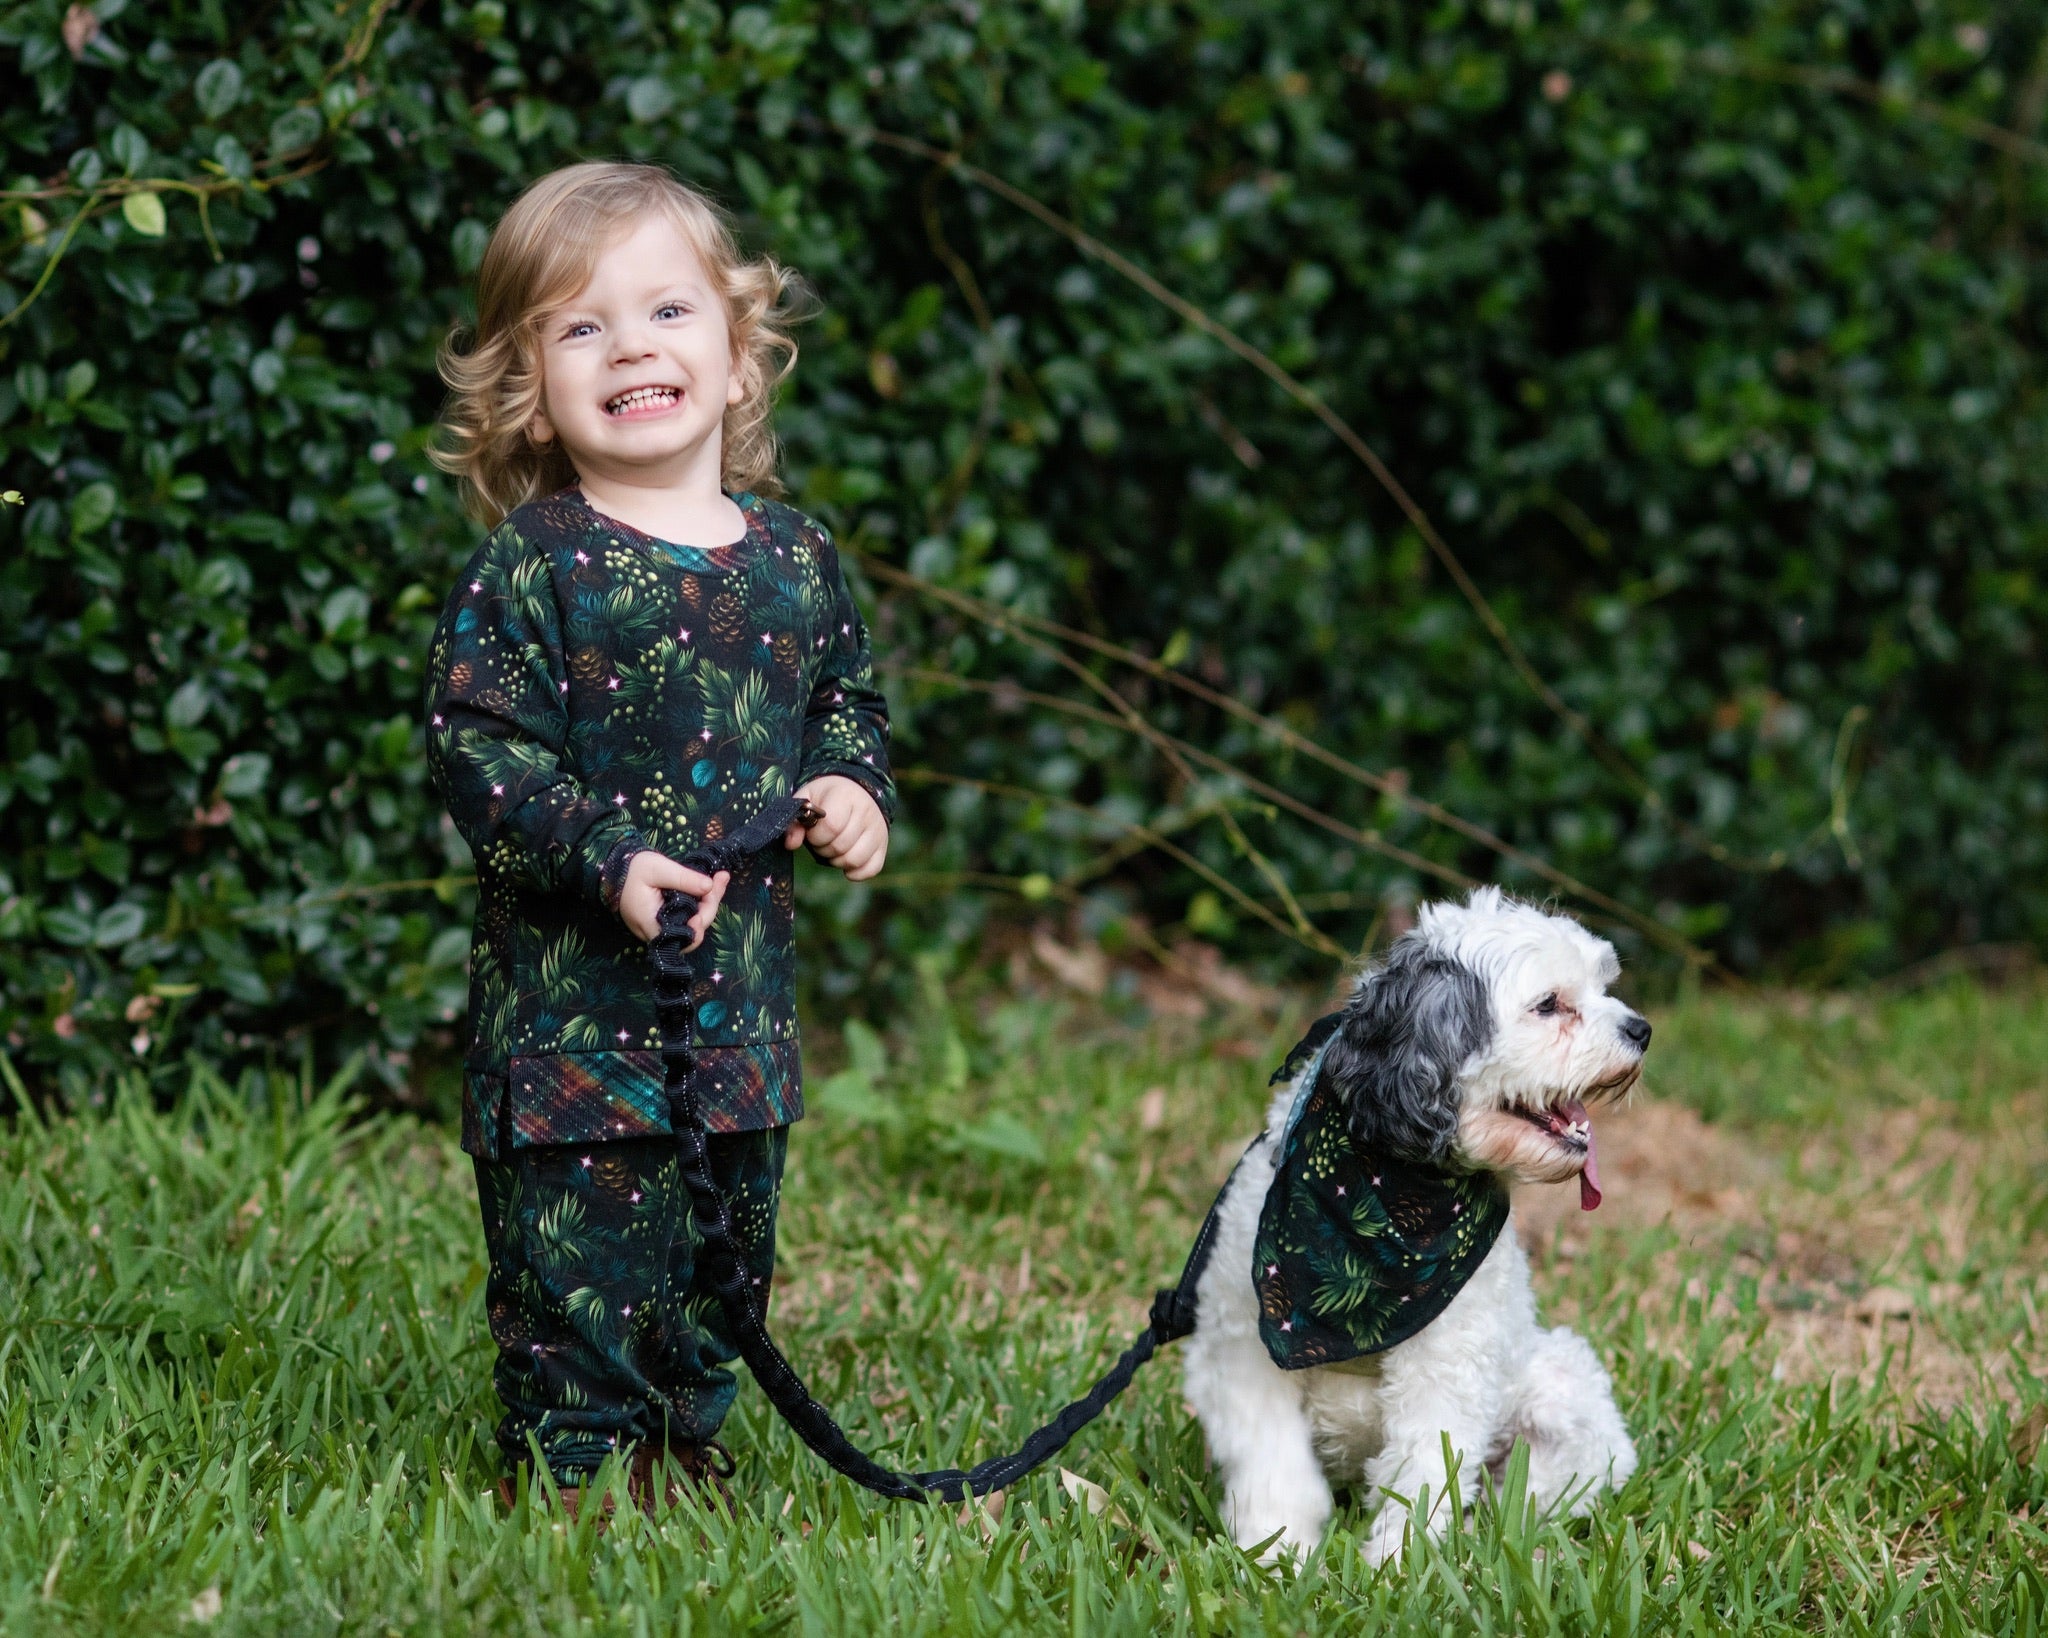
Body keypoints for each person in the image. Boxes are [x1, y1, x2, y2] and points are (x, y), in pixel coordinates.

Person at [424, 162, 893, 1515]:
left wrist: (849, 785)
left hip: (738, 1020)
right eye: (582, 327)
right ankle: (576, 1465)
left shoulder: (795, 560)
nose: (633, 344)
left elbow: (842, 700)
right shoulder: (537, 564)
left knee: (722, 1241)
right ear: (528, 388)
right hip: (570, 1027)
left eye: (669, 311)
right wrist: (606, 854)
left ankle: (685, 1447)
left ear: (740, 358)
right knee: (580, 1253)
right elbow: (477, 748)